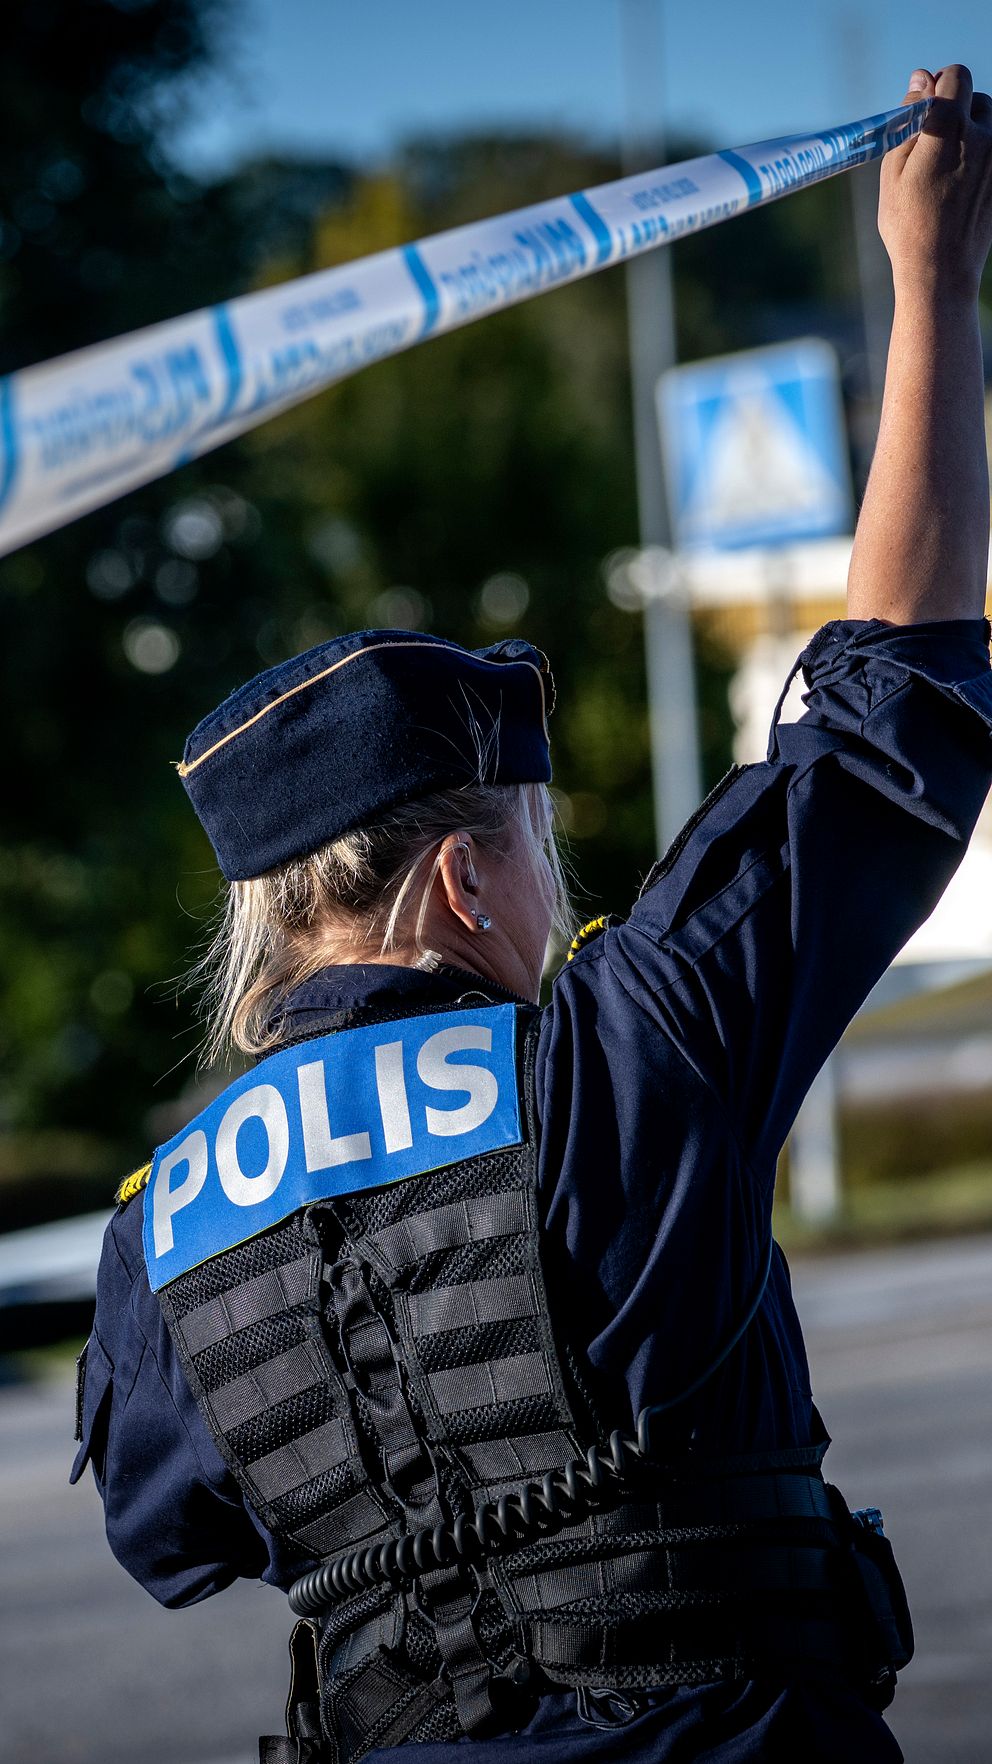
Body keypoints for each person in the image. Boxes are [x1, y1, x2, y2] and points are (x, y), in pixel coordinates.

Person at [73, 64, 992, 1764]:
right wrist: (932, 277)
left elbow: (172, 1530)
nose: (556, 893)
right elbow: (895, 705)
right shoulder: (623, 1059)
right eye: (536, 843)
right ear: (461, 878)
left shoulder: (161, 1239)